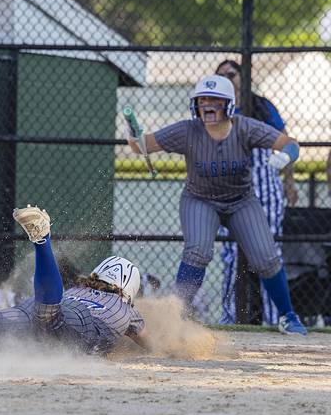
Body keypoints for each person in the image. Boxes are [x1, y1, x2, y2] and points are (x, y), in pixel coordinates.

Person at [126, 74, 307, 335]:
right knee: (197, 252)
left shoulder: (244, 127)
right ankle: (176, 318)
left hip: (241, 200)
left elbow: (290, 144)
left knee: (266, 258)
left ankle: (288, 316)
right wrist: (135, 135)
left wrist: (285, 158)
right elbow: (141, 147)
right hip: (200, 200)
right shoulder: (187, 130)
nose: (208, 105)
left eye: (215, 100)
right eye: (203, 100)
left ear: (229, 105)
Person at [0, 206, 148, 355]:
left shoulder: (78, 288)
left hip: (43, 308)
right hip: (78, 320)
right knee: (50, 316)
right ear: (129, 287)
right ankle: (42, 239)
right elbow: (146, 340)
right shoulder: (126, 308)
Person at [214, 60, 298, 325]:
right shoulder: (214, 110)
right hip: (230, 188)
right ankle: (230, 317)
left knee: (270, 253)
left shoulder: (262, 105)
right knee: (230, 255)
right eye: (221, 76)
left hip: (264, 185)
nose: (228, 78)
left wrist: (289, 181)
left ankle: (278, 318)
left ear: (242, 77)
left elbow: (286, 142)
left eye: (231, 74)